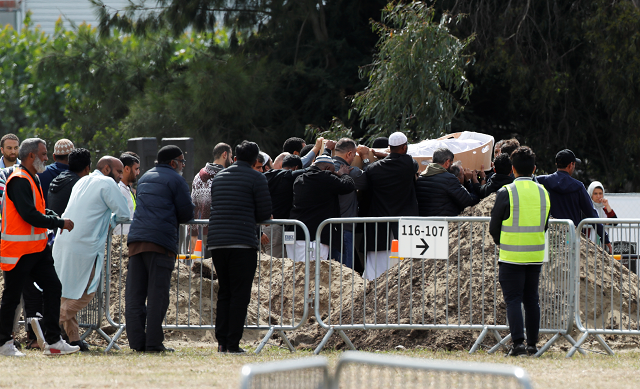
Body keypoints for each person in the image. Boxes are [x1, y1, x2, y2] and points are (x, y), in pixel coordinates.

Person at [0, 138, 78, 357]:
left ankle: (53, 341)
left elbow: (39, 210)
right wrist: (59, 223)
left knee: (53, 288)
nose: (47, 158)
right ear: (32, 155)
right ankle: (3, 342)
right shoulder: (19, 179)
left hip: (36, 249)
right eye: (44, 154)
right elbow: (29, 215)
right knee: (12, 297)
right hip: (18, 252)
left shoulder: (31, 177)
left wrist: (53, 216)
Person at [53, 156, 130, 351]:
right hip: (85, 245)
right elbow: (123, 213)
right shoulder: (107, 183)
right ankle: (48, 323)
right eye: (119, 172)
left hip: (65, 241)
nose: (121, 177)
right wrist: (110, 222)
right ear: (106, 169)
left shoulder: (83, 180)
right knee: (87, 291)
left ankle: (74, 338)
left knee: (67, 292)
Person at [125, 145, 194, 353]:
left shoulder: (145, 177)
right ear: (173, 163)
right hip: (160, 243)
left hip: (137, 241)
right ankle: (153, 343)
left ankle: (137, 343)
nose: (183, 165)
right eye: (182, 161)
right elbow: (186, 213)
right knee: (157, 295)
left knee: (135, 295)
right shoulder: (176, 180)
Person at [207, 140, 271, 354]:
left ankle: (222, 342)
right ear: (255, 161)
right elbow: (263, 214)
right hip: (242, 242)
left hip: (217, 242)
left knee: (224, 292)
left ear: (234, 158)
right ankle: (233, 343)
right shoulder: (257, 178)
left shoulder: (220, 177)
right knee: (240, 294)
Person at [489, 146, 550, 357]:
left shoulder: (506, 192)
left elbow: (494, 225)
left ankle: (518, 345)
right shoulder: (544, 192)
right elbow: (545, 224)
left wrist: (501, 241)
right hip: (535, 255)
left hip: (511, 255)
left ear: (512, 169)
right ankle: (533, 345)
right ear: (534, 169)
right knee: (532, 299)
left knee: (513, 300)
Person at [363, 132, 419, 280]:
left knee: (378, 267)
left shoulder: (374, 169)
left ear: (390, 147)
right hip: (403, 226)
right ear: (404, 147)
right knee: (400, 263)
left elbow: (369, 170)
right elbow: (409, 163)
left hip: (380, 226)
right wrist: (386, 154)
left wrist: (367, 158)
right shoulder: (409, 164)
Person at [537, 149, 611, 252]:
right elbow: (591, 213)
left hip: (550, 237)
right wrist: (604, 237)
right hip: (571, 237)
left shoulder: (541, 181)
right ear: (571, 165)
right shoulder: (578, 186)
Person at [288, 155, 355, 263]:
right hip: (313, 237)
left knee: (295, 273)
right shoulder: (324, 177)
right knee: (311, 274)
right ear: (327, 169)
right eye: (333, 172)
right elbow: (348, 186)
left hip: (296, 233)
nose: (334, 174)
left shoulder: (300, 179)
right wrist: (343, 175)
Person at [327, 138, 374, 268]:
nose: (354, 158)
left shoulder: (325, 167)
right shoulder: (349, 171)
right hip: (344, 228)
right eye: (354, 155)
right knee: (345, 272)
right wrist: (365, 158)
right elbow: (371, 179)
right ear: (349, 154)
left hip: (326, 228)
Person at [190, 143, 232, 258]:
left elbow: (193, 207)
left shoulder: (198, 177)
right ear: (225, 154)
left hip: (206, 232)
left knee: (211, 270)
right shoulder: (226, 176)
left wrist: (193, 234)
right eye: (231, 156)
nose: (232, 160)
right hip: (224, 230)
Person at [262, 154, 305, 258]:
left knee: (264, 268)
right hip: (277, 229)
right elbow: (309, 170)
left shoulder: (268, 176)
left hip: (263, 227)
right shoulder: (288, 177)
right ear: (296, 168)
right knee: (276, 267)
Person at [415, 148, 477, 217]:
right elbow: (468, 201)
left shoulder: (421, 178)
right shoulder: (449, 179)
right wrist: (470, 182)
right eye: (451, 163)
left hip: (425, 224)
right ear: (447, 162)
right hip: (444, 224)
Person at [48, 148, 92, 217]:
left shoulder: (58, 178)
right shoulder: (79, 184)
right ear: (87, 168)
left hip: (53, 225)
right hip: (66, 226)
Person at [38, 138, 75, 206]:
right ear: (73, 157)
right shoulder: (78, 175)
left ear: (54, 157)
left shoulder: (41, 173)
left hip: (46, 215)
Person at [114, 152, 140, 236]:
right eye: (136, 169)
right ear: (127, 169)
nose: (138, 173)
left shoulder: (127, 189)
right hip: (118, 241)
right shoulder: (118, 189)